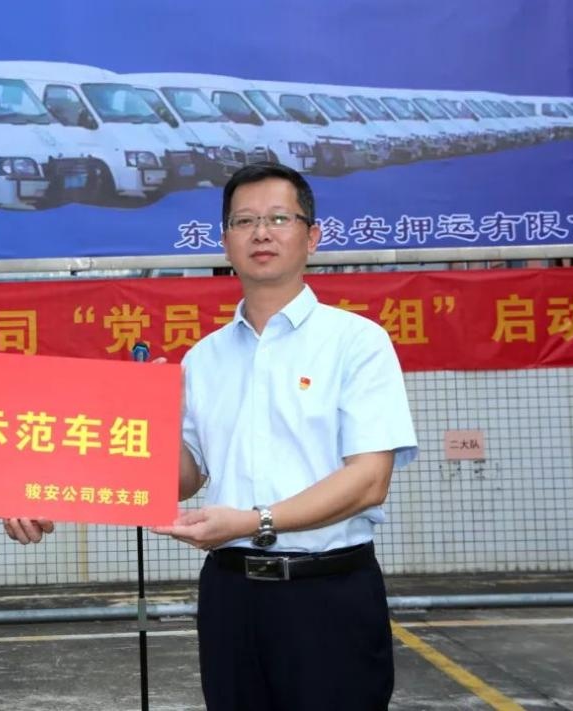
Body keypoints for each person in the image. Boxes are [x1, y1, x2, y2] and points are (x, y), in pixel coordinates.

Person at [153, 162, 418, 710]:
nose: (261, 233)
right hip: (230, 595)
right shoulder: (203, 358)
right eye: (244, 221)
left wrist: (255, 522)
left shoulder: (357, 342)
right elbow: (184, 481)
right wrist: (156, 421)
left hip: (328, 595)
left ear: (311, 237)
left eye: (279, 218)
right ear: (225, 240)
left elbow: (370, 480)